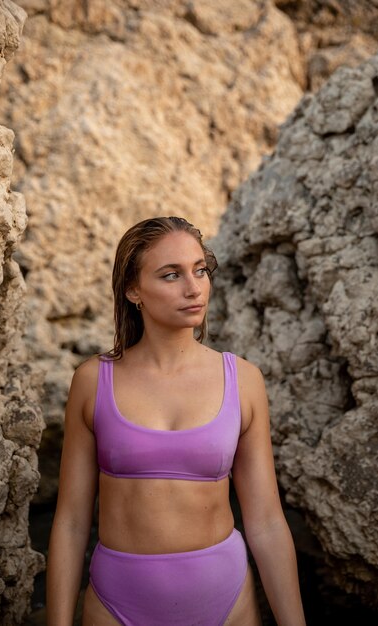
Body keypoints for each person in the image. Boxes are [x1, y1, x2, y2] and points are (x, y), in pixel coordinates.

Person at [46, 216, 306, 626]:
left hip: (226, 602)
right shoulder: (93, 381)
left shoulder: (243, 380)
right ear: (134, 290)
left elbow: (268, 523)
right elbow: (72, 521)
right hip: (117, 604)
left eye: (200, 270)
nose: (194, 288)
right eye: (171, 275)